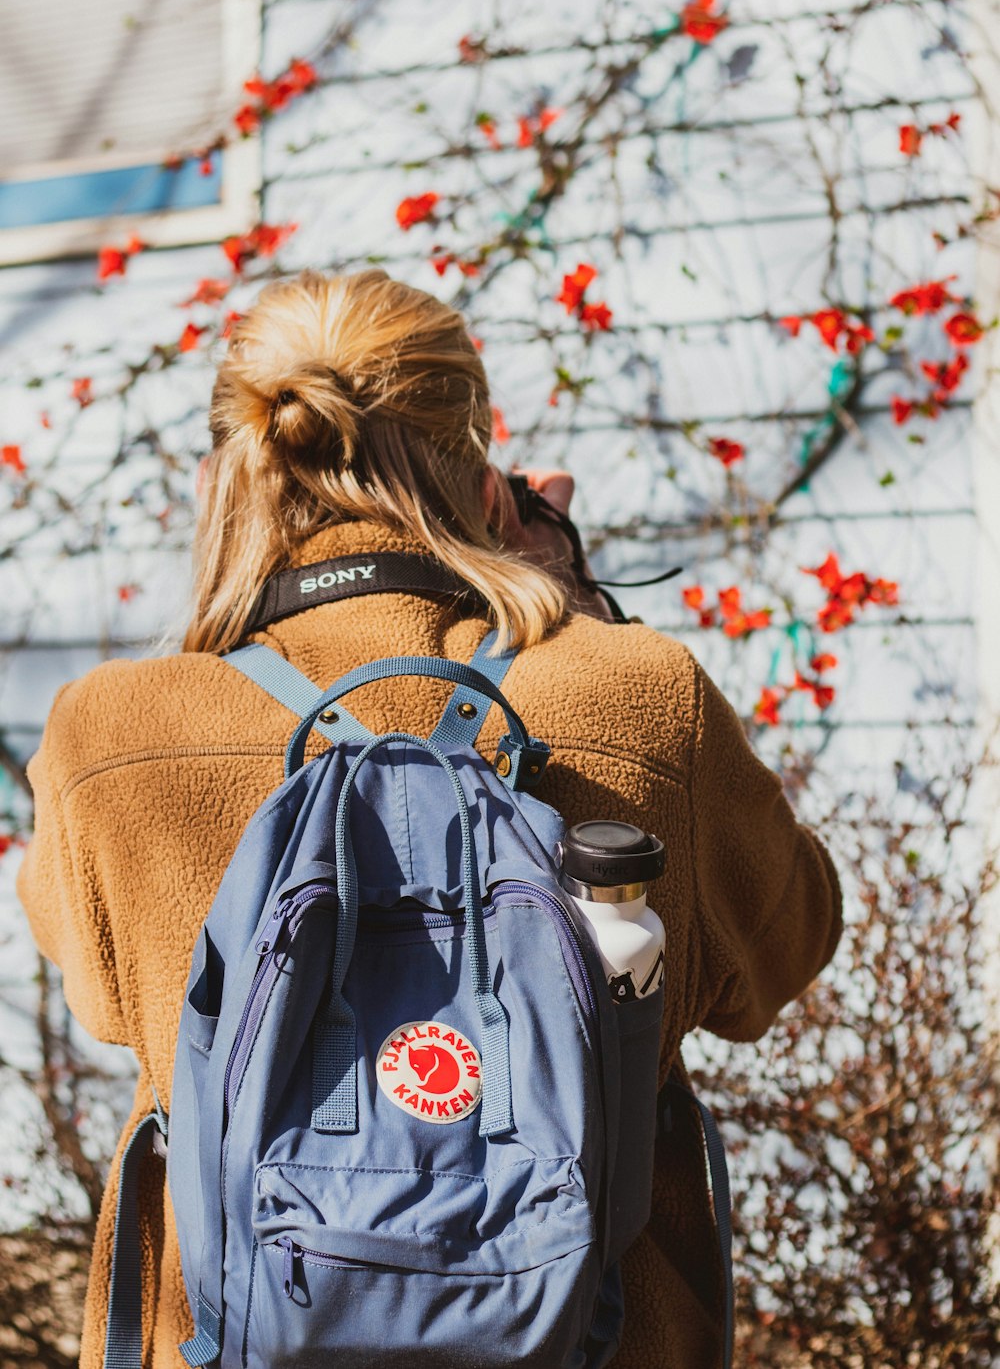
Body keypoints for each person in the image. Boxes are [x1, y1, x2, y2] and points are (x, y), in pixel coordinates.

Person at [17, 267, 842, 1369]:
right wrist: (575, 609)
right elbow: (784, 951)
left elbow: (105, 1000)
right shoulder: (642, 695)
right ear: (488, 482)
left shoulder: (109, 733)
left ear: (230, 476)